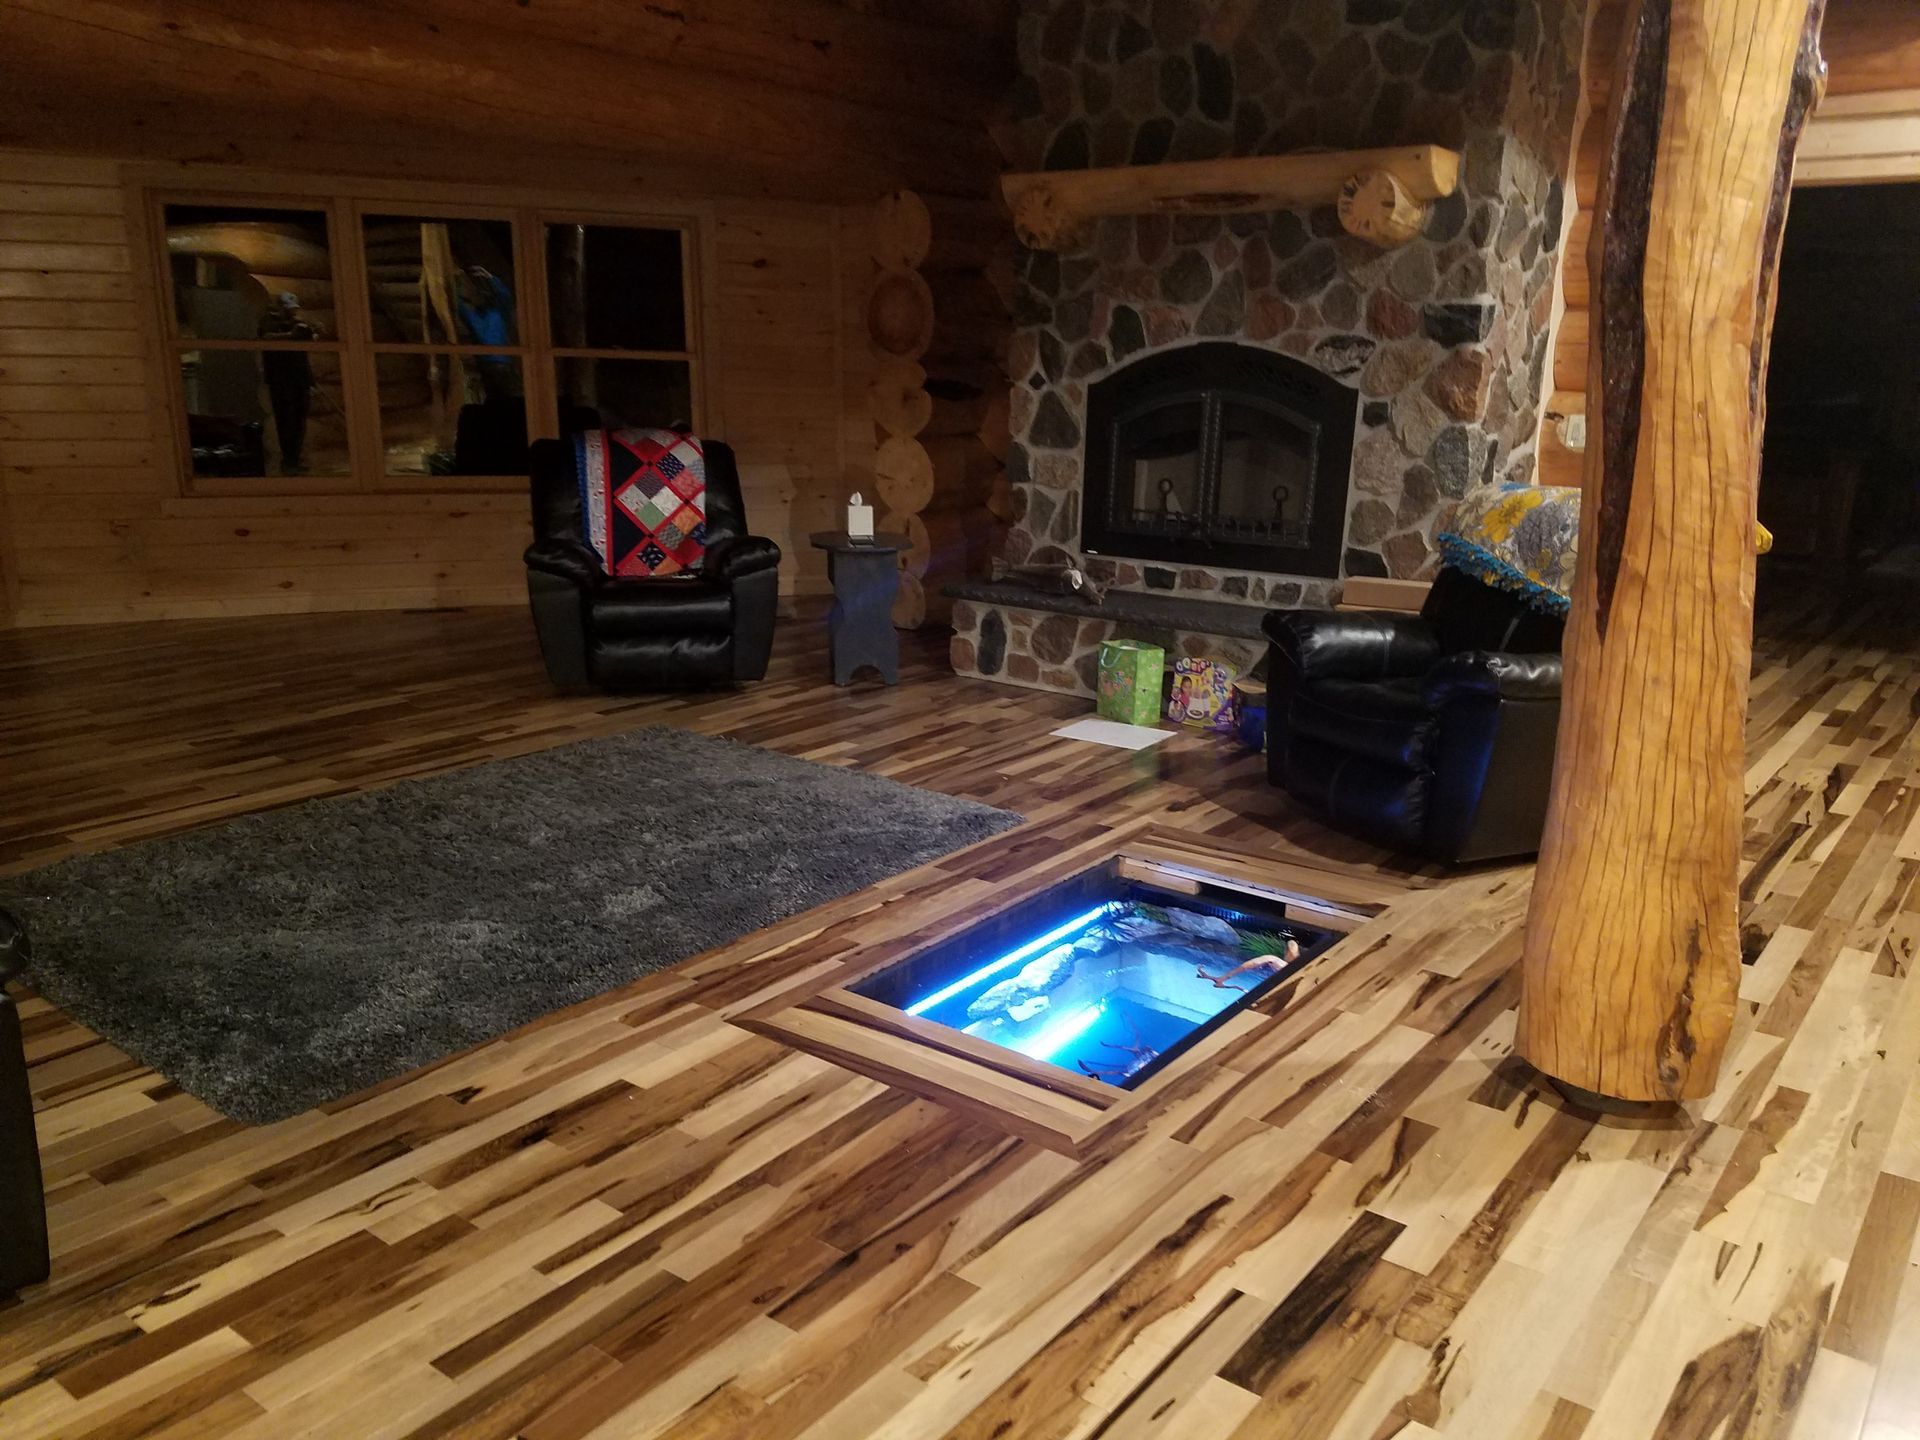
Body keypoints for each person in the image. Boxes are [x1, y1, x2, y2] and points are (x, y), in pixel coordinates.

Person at [259, 293, 316, 474]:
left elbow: (311, 338)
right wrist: (290, 335)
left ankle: (294, 459)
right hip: (281, 379)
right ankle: (288, 460)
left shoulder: (298, 324)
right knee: (286, 421)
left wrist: (309, 331)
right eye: (288, 309)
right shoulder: (270, 322)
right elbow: (266, 338)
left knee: (299, 421)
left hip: (299, 377)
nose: (292, 312)